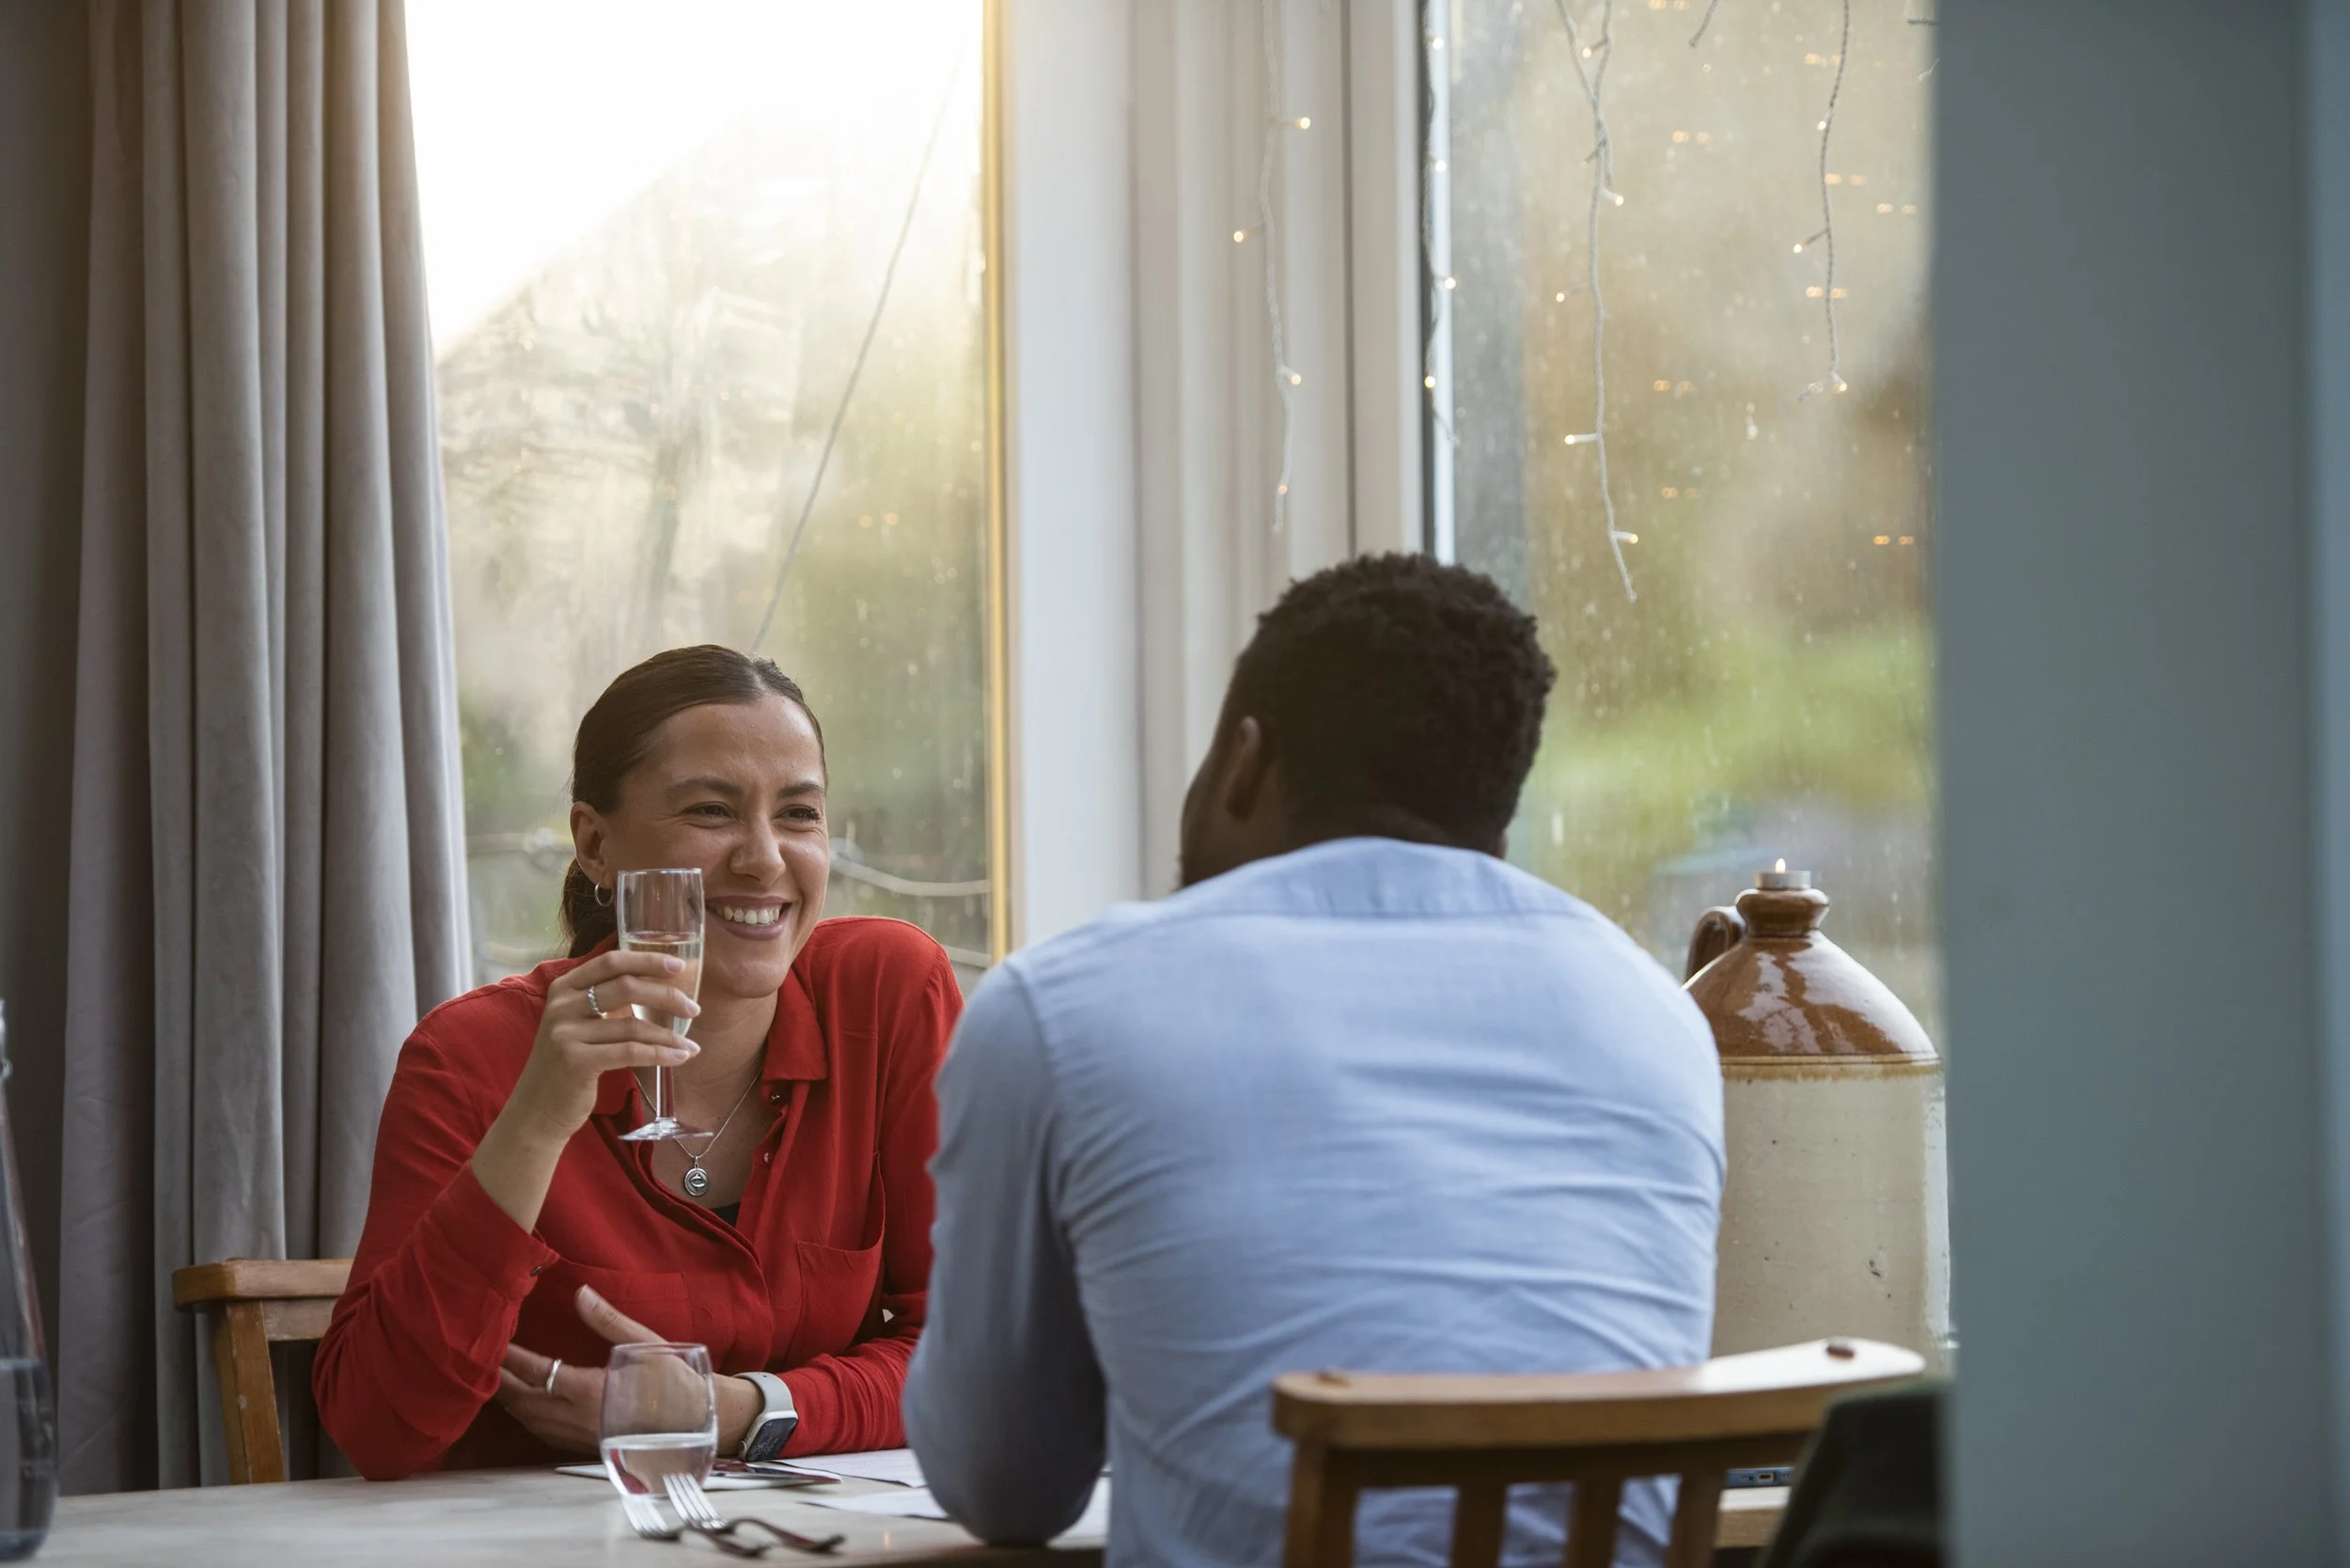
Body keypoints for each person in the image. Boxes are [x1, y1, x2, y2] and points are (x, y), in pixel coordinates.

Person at [904, 556, 1726, 1566]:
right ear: (1497, 820)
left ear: (1243, 762)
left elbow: (1004, 1484)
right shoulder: (1653, 1014)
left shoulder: (1064, 1007)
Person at [316, 645, 958, 1479]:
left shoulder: (888, 994)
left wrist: (732, 1411)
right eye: (711, 811)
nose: (765, 858)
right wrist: (538, 1121)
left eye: (799, 814)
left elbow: (975, 1352)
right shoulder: (471, 1059)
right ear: (594, 844)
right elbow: (377, 1428)